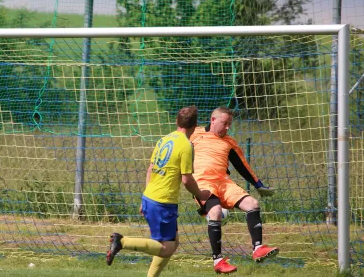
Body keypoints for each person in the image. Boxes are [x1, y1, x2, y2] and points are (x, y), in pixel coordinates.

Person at [106, 106, 211, 277]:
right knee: (166, 248)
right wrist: (200, 194)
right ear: (195, 125)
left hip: (151, 197)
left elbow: (150, 169)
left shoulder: (164, 139)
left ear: (176, 122)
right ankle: (122, 241)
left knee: (173, 242)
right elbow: (187, 179)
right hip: (163, 202)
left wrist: (144, 199)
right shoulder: (186, 145)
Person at [191, 106, 278, 274]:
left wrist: (259, 186)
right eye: (225, 123)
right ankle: (218, 261)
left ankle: (258, 249)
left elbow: (242, 166)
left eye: (230, 124)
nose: (227, 127)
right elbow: (176, 146)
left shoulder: (229, 142)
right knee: (215, 212)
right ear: (213, 120)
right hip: (203, 183)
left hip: (224, 182)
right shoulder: (195, 134)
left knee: (252, 203)